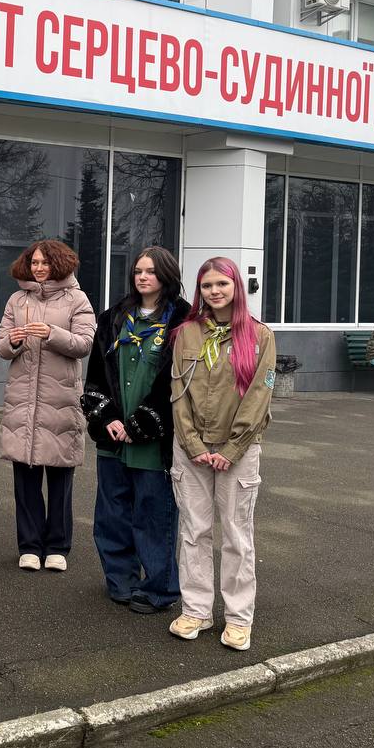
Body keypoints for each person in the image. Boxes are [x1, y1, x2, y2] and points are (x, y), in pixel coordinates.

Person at [168, 256, 276, 652]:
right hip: (191, 449)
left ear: (236, 287)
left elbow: (259, 397)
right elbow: (177, 394)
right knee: (193, 531)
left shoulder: (260, 335)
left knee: (236, 535)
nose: (214, 291)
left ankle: (238, 617)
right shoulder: (186, 333)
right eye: (207, 285)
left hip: (239, 450)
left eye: (222, 284)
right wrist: (194, 445)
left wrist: (232, 448)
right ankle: (196, 610)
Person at [82, 246, 190, 614]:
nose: (143, 277)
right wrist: (107, 417)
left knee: (154, 516)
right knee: (112, 515)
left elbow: (179, 381)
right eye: (138, 271)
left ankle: (159, 589)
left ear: (167, 275)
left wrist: (142, 422)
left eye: (151, 271)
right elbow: (96, 376)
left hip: (153, 442)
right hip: (113, 438)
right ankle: (121, 580)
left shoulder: (183, 321)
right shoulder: (113, 317)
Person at [0, 239, 95, 574]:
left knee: (60, 479)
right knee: (24, 479)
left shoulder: (77, 299)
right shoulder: (17, 299)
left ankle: (57, 546)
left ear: (59, 264)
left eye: (45, 263)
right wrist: (12, 341)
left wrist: (52, 333)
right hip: (23, 401)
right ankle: (28, 546)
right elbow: (0, 346)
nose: (39, 268)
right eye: (35, 263)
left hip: (61, 401)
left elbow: (84, 344)